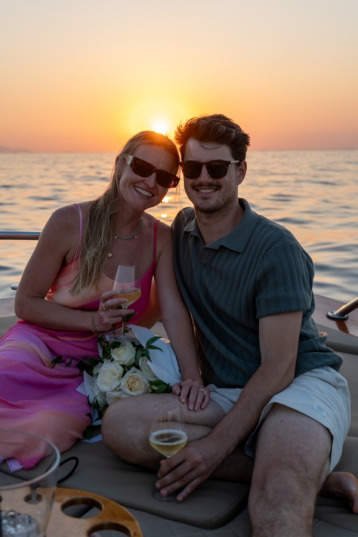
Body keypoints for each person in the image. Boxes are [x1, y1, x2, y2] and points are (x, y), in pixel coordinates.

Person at [102, 115, 358, 536]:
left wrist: (213, 448)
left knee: (278, 498)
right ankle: (317, 477)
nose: (204, 178)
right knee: (121, 427)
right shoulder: (182, 229)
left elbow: (278, 368)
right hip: (225, 389)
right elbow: (165, 302)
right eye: (192, 168)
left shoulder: (276, 250)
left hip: (298, 385)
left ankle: (290, 473)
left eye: (217, 168)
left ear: (240, 170)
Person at [0, 130, 208, 468]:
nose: (149, 181)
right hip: (37, 342)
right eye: (141, 166)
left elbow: (172, 311)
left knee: (53, 425)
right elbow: (26, 303)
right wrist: (92, 321)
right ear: (120, 163)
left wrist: (192, 378)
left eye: (164, 177)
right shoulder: (69, 221)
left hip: (97, 362)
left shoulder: (162, 238)